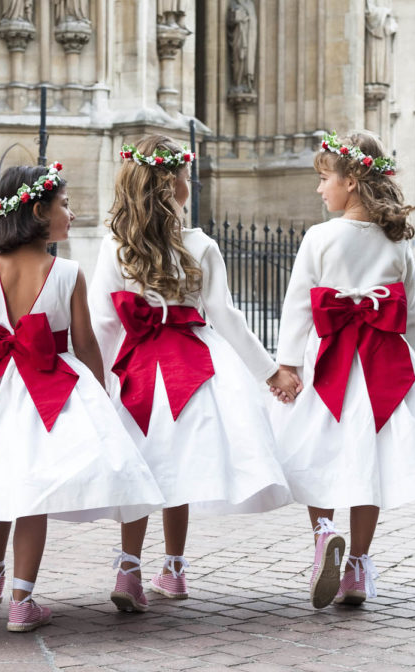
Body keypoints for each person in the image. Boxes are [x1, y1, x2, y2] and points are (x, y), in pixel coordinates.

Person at [0, 162, 164, 631]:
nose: (72, 212)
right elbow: (85, 344)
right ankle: (22, 602)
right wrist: (102, 395)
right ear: (39, 211)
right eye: (65, 204)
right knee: (35, 494)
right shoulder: (67, 271)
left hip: (2, 389)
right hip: (53, 384)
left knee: (2, 481)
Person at [271, 130, 415, 608]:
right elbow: (410, 313)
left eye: (325, 178)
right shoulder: (396, 242)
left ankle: (324, 533)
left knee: (314, 451)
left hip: (330, 363)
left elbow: (299, 306)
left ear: (352, 180)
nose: (320, 189)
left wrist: (287, 363)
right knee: (370, 467)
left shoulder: (320, 237)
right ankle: (358, 566)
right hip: (383, 366)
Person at [89, 136, 296, 612]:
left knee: (143, 462)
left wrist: (96, 382)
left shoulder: (115, 246)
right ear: (173, 185)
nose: (191, 181)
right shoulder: (200, 245)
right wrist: (270, 372)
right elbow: (226, 315)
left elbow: (102, 319)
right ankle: (175, 569)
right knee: (175, 463)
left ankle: (129, 567)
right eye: (186, 173)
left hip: (137, 366)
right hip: (193, 368)